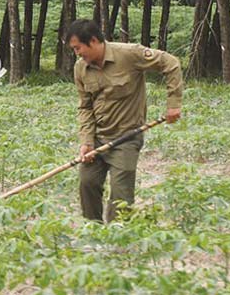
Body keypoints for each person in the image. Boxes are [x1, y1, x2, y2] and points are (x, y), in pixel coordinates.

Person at [66, 19, 183, 223]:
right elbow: (85, 107)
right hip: (98, 138)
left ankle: (117, 235)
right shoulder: (80, 68)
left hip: (127, 138)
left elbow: (171, 63)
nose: (77, 53)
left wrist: (173, 104)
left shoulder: (129, 54)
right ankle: (92, 232)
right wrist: (86, 141)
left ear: (93, 41)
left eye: (78, 48)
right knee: (87, 182)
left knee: (121, 195)